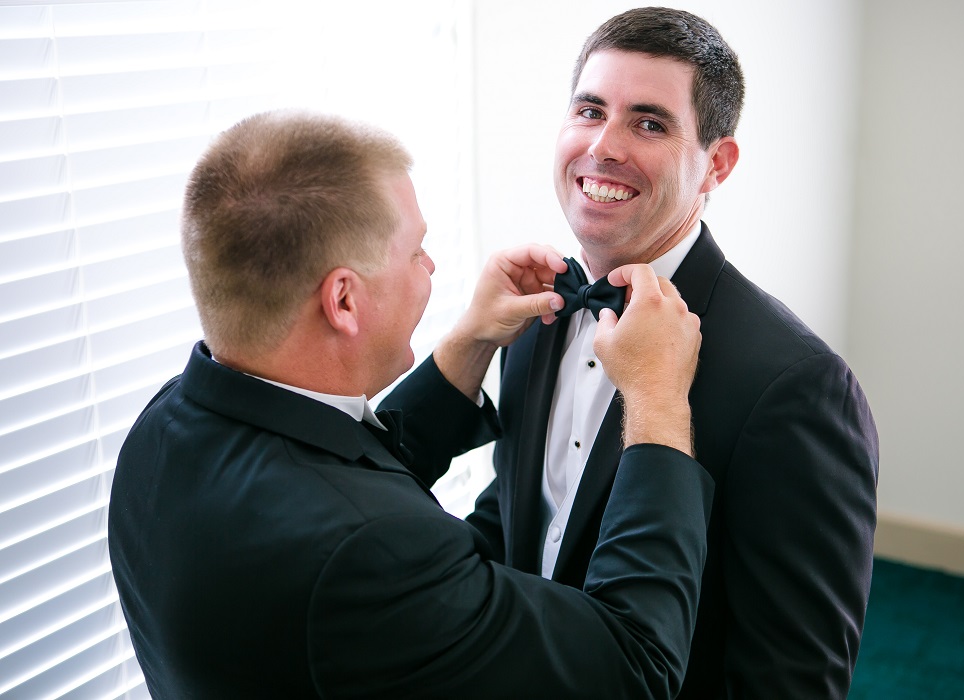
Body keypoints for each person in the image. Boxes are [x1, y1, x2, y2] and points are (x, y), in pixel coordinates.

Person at [108, 109, 715, 699]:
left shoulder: (164, 428)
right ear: (342, 301)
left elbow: (330, 468)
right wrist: (657, 400)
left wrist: (468, 344)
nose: (432, 268)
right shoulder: (376, 553)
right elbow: (637, 665)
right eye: (416, 252)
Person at [465, 8, 880, 698]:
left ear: (717, 163)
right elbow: (521, 521)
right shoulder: (534, 311)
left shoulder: (797, 387)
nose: (603, 145)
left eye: (649, 123)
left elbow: (793, 678)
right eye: (589, 110)